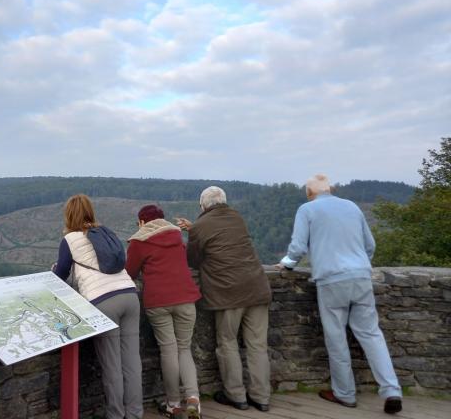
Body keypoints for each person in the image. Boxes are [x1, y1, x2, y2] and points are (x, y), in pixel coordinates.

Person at [276, 174, 402, 414]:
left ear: (310, 193)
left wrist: (288, 263)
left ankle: (345, 394)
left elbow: (298, 247)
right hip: (361, 276)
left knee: (336, 338)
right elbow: (370, 245)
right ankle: (391, 390)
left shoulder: (307, 209)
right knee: (372, 335)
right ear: (330, 189)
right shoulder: (352, 206)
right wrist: (358, 264)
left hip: (331, 280)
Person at [177, 186, 272, 413]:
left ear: (203, 206)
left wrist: (193, 231)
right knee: (257, 345)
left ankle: (236, 395)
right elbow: (221, 237)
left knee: (227, 343)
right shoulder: (237, 218)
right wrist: (196, 229)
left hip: (229, 292)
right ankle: (261, 397)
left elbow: (193, 260)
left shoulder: (200, 226)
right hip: (257, 287)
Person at [51, 194, 143, 419]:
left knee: (112, 365)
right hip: (130, 295)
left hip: (103, 301)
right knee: (132, 362)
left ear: (69, 215)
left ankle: (115, 414)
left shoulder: (70, 240)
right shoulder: (106, 232)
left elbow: (61, 274)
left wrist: (53, 269)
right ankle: (135, 414)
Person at [125, 204, 203, 418]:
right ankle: (194, 399)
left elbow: (129, 272)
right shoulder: (177, 236)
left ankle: (173, 404)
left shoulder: (139, 241)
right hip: (186, 298)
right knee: (184, 349)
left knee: (168, 351)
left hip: (158, 301)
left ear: (142, 222)